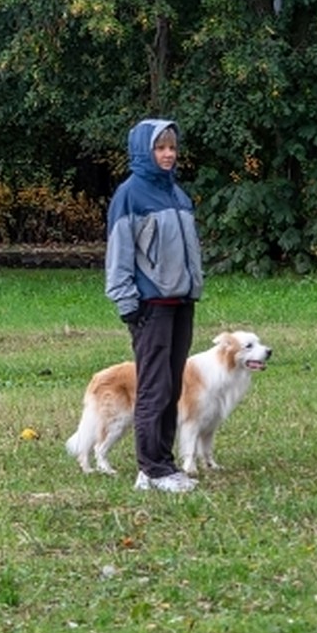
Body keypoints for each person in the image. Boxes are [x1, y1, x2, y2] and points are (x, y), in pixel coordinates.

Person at [105, 119, 205, 493]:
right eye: (160, 148)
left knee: (172, 385)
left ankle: (164, 464)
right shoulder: (129, 196)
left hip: (181, 303)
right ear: (143, 151)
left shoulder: (178, 196)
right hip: (151, 307)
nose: (167, 155)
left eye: (172, 148)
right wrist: (128, 304)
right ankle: (151, 469)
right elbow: (119, 255)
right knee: (154, 387)